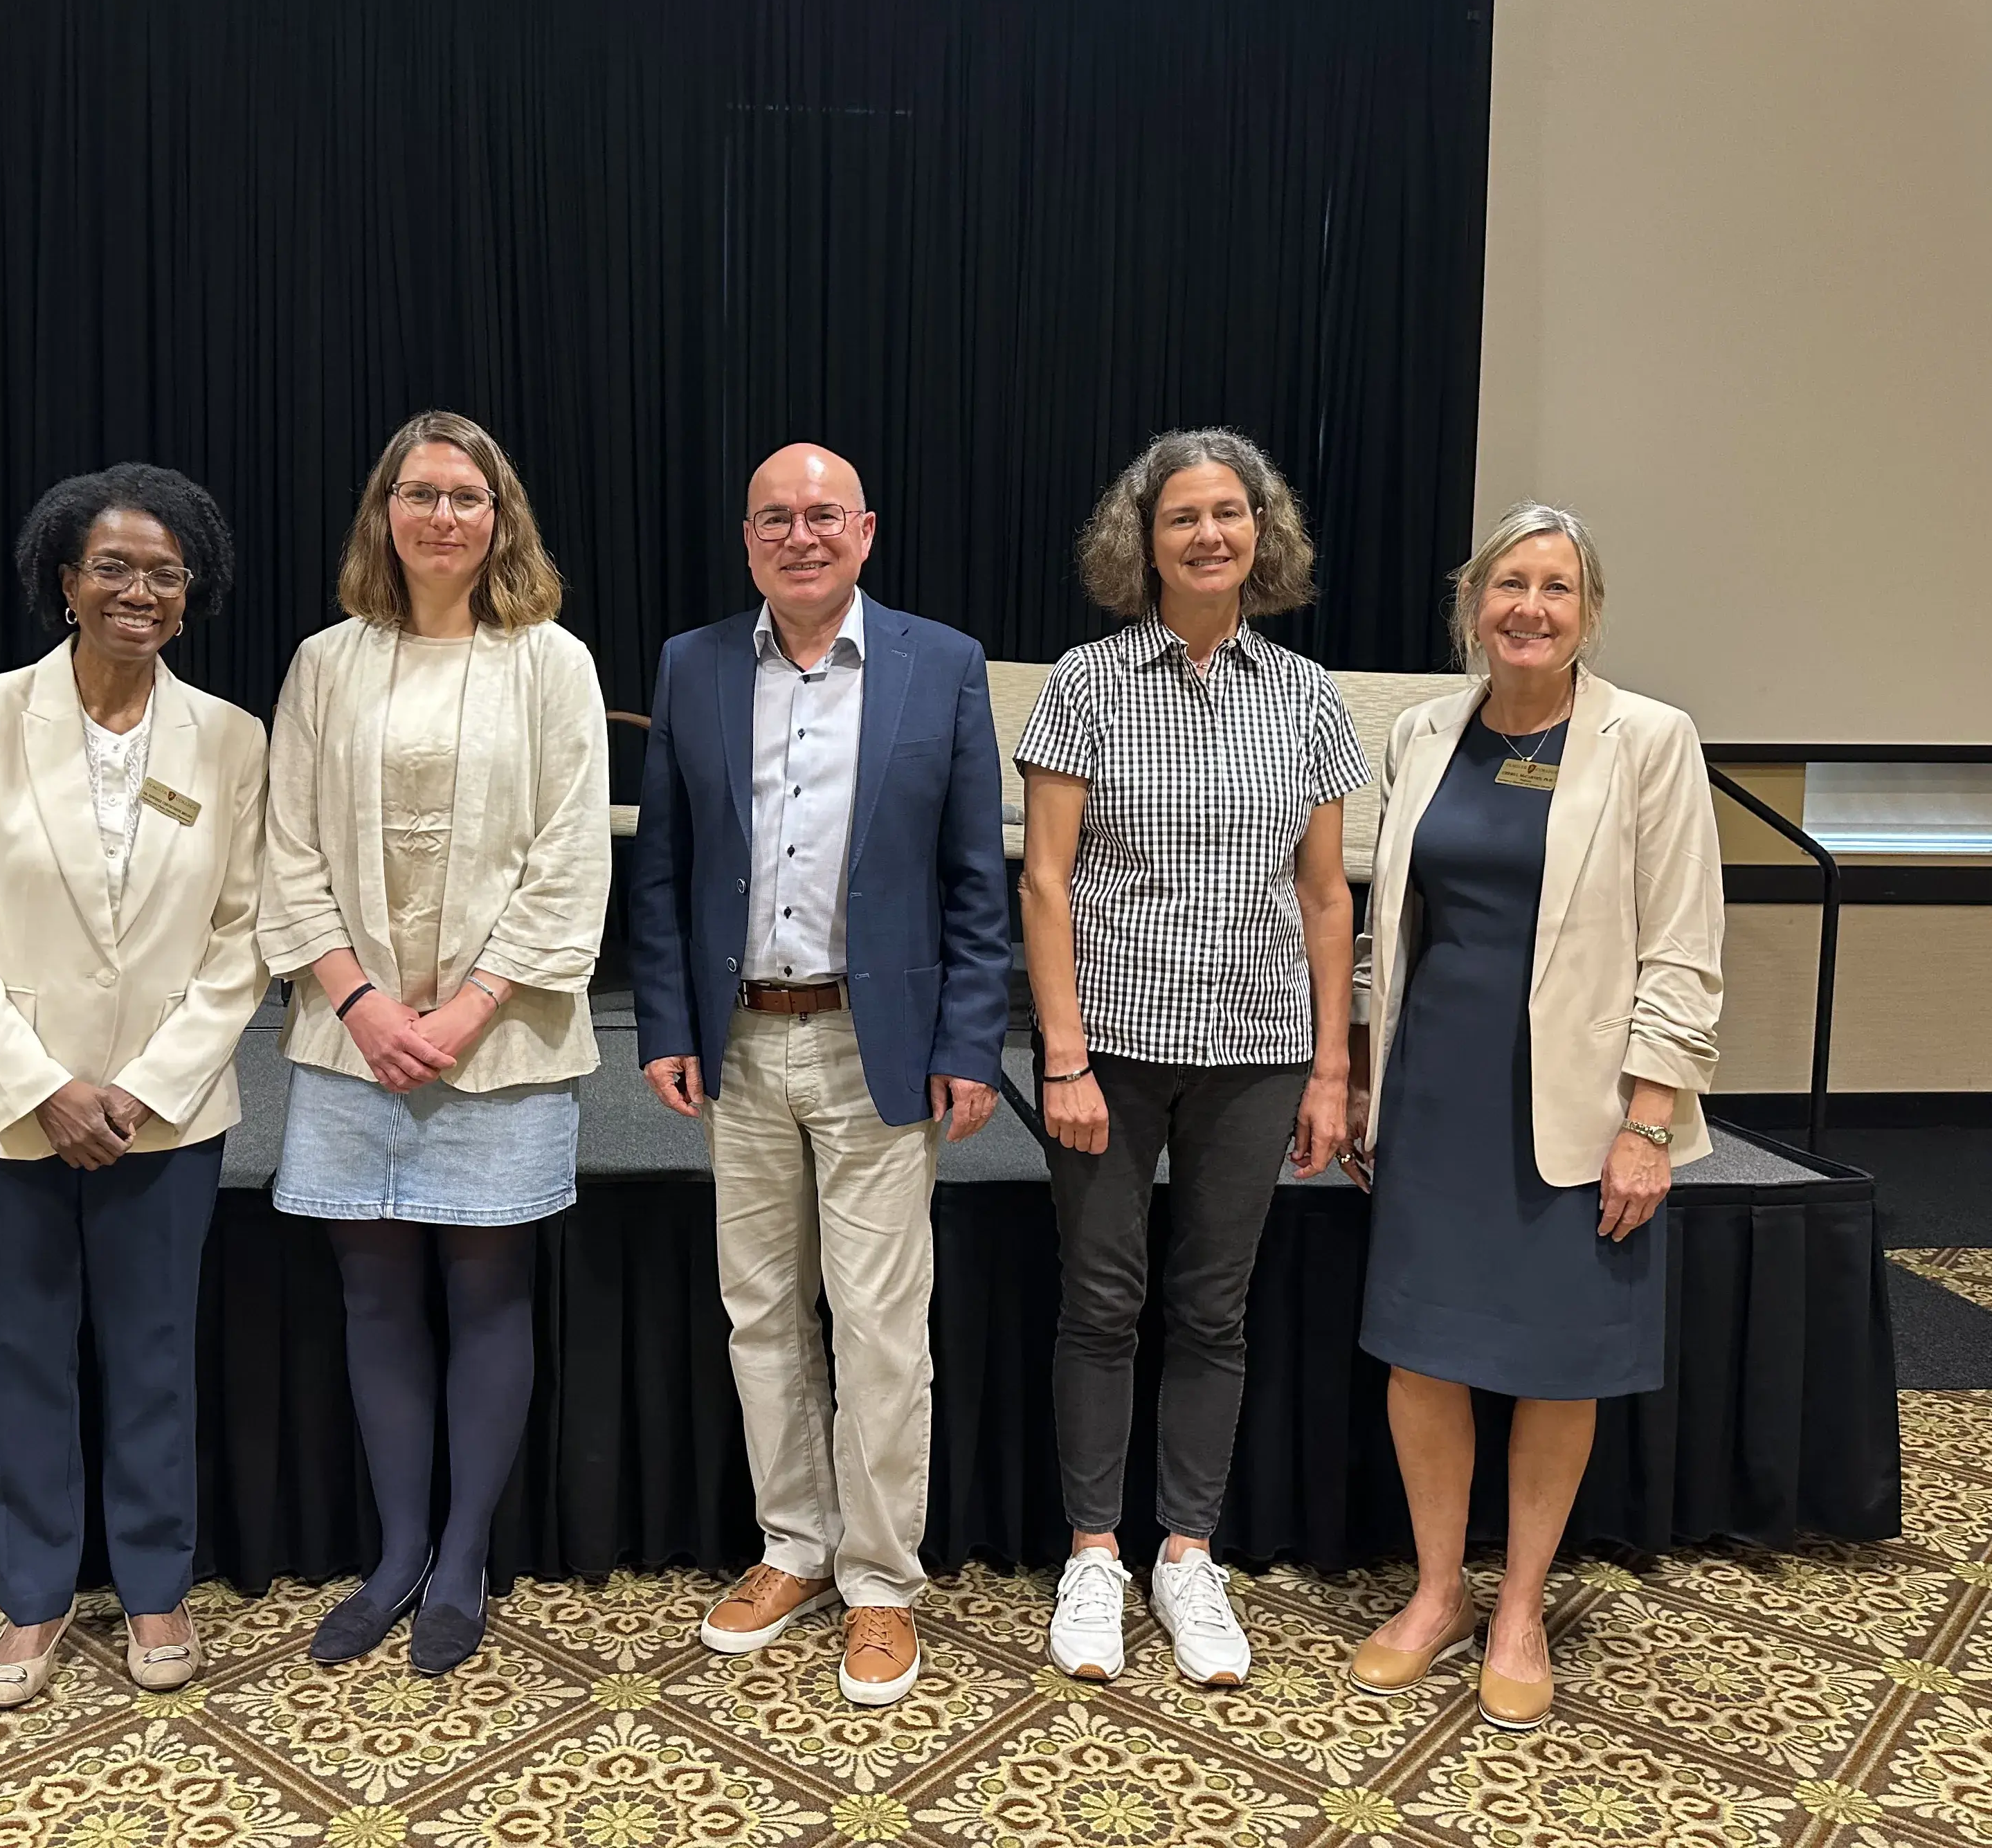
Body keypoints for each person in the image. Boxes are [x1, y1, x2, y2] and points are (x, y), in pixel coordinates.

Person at [631, 442, 1011, 1707]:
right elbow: (668, 867)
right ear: (749, 541)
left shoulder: (940, 665)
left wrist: (971, 1040)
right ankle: (792, 1546)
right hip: (738, 1040)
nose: (800, 536)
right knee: (761, 1312)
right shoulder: (693, 666)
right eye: (775, 519)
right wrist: (667, 1023)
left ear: (865, 532)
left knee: (882, 1328)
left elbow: (974, 877)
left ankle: (882, 1582)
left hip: (877, 1044)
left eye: (823, 516)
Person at [1343, 502, 1722, 1732]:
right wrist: (1355, 1070)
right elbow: (1385, 926)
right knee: (1422, 1354)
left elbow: (1682, 950)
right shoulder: (1421, 733)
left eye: (1556, 589)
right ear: (1475, 604)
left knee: (1559, 1364)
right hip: (1436, 1090)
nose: (1531, 609)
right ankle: (1441, 1593)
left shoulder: (1650, 741)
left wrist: (1648, 1124)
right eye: (1511, 584)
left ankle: (1522, 1611)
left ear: (1589, 613)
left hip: (1577, 1104)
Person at [0, 464, 267, 1710]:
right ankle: (32, 1599)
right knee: (22, 1355)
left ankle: (157, 1585)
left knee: (155, 1352)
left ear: (191, 592)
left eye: (165, 572)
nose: (139, 591)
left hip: (164, 1115)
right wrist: (45, 1084)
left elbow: (243, 937)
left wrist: (148, 1088)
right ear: (64, 582)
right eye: (113, 567)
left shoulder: (230, 739)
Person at [1015, 427, 1370, 1690]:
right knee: (1103, 1303)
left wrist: (1334, 1068)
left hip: (1260, 1050)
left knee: (1213, 1311)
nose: (1210, 535)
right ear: (1144, 541)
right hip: (1108, 1045)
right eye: (1184, 518)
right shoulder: (1087, 684)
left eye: (1231, 515)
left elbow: (1328, 901)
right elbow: (1046, 881)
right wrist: (1059, 1052)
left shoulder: (1309, 698)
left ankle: (1186, 1556)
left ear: (1259, 536)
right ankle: (1096, 1556)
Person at [259, 410, 609, 1676]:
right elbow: (285, 853)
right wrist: (362, 1005)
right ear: (384, 513)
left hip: (498, 1041)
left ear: (500, 517)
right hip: (356, 1042)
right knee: (374, 1295)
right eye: (420, 493)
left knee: (486, 1292)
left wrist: (463, 1011)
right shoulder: (323, 662)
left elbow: (573, 860)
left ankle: (462, 1555)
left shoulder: (552, 664)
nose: (443, 516)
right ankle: (397, 1548)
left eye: (467, 496)